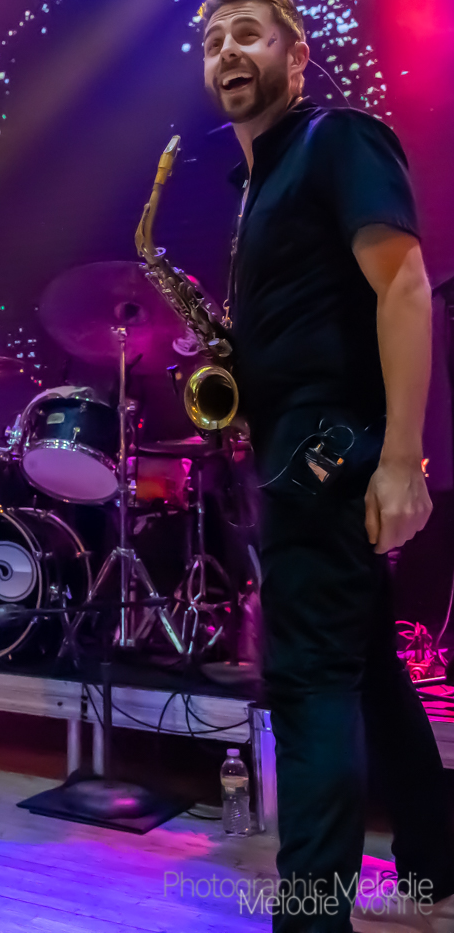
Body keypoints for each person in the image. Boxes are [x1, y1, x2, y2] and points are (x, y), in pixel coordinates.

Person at [201, 3, 454, 930]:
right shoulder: (261, 179)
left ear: (297, 55)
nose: (227, 51)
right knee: (368, 665)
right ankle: (435, 860)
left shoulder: (337, 139)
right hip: (301, 451)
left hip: (328, 457)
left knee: (309, 684)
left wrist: (401, 459)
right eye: (213, 41)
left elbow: (405, 285)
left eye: (248, 33)